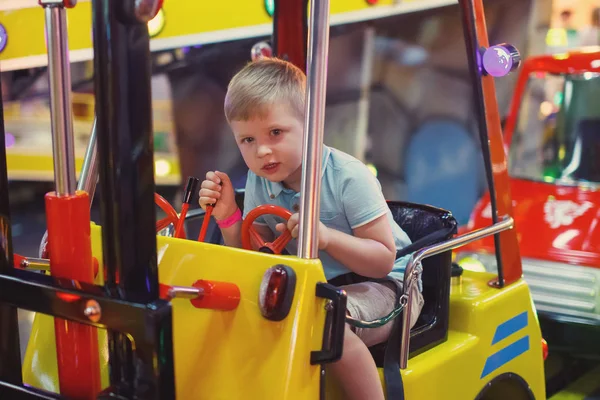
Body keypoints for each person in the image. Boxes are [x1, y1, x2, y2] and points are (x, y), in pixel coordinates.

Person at [198, 57, 424, 400]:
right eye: (247, 140)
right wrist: (229, 216)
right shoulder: (261, 182)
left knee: (326, 322)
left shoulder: (348, 177)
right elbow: (257, 257)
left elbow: (381, 259)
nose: (262, 150)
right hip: (318, 287)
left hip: (389, 286)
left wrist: (327, 238)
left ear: (311, 124)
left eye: (276, 132)